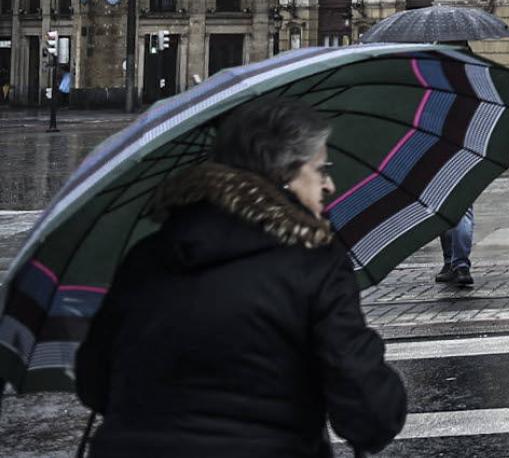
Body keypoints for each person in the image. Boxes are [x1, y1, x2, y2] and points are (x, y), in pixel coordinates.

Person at [75, 97, 407, 457]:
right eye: (320, 169)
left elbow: (95, 384)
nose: (329, 185)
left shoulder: (146, 257)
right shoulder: (313, 264)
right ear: (284, 176)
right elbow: (370, 414)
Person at [436, 39, 476, 287]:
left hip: (447, 151)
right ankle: (453, 261)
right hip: (464, 151)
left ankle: (458, 263)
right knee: (454, 209)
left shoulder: (439, 82)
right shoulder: (475, 80)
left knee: (452, 209)